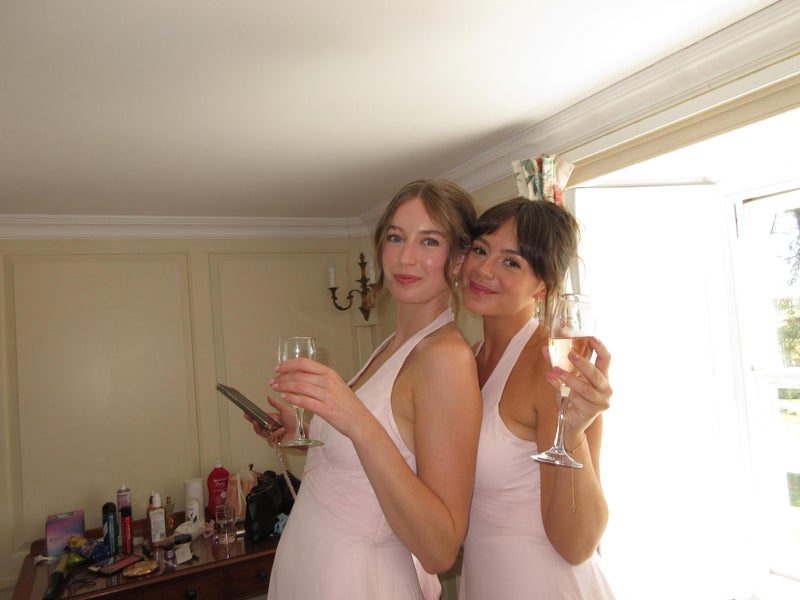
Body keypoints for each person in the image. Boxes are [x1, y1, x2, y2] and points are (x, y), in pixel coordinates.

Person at [248, 179, 482, 599]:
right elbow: (376, 456)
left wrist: (353, 417)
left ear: (459, 259)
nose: (405, 257)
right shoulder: (394, 346)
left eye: (429, 241)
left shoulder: (446, 359)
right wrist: (306, 430)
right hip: (310, 571)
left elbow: (440, 548)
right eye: (395, 237)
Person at [457, 197, 615, 599]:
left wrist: (572, 431)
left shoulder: (554, 368)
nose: (484, 269)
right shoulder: (465, 359)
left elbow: (579, 544)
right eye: (480, 250)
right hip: (483, 579)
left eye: (511, 262)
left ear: (543, 286)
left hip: (543, 583)